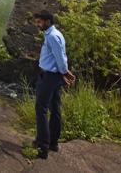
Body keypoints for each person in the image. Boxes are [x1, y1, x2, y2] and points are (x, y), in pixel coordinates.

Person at [33, 11, 76, 159]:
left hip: (50, 77)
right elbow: (59, 57)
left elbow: (61, 58)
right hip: (53, 75)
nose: (37, 25)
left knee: (41, 109)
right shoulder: (52, 34)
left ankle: (43, 147)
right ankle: (52, 143)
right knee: (55, 109)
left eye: (39, 22)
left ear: (47, 21)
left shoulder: (52, 36)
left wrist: (64, 72)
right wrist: (63, 73)